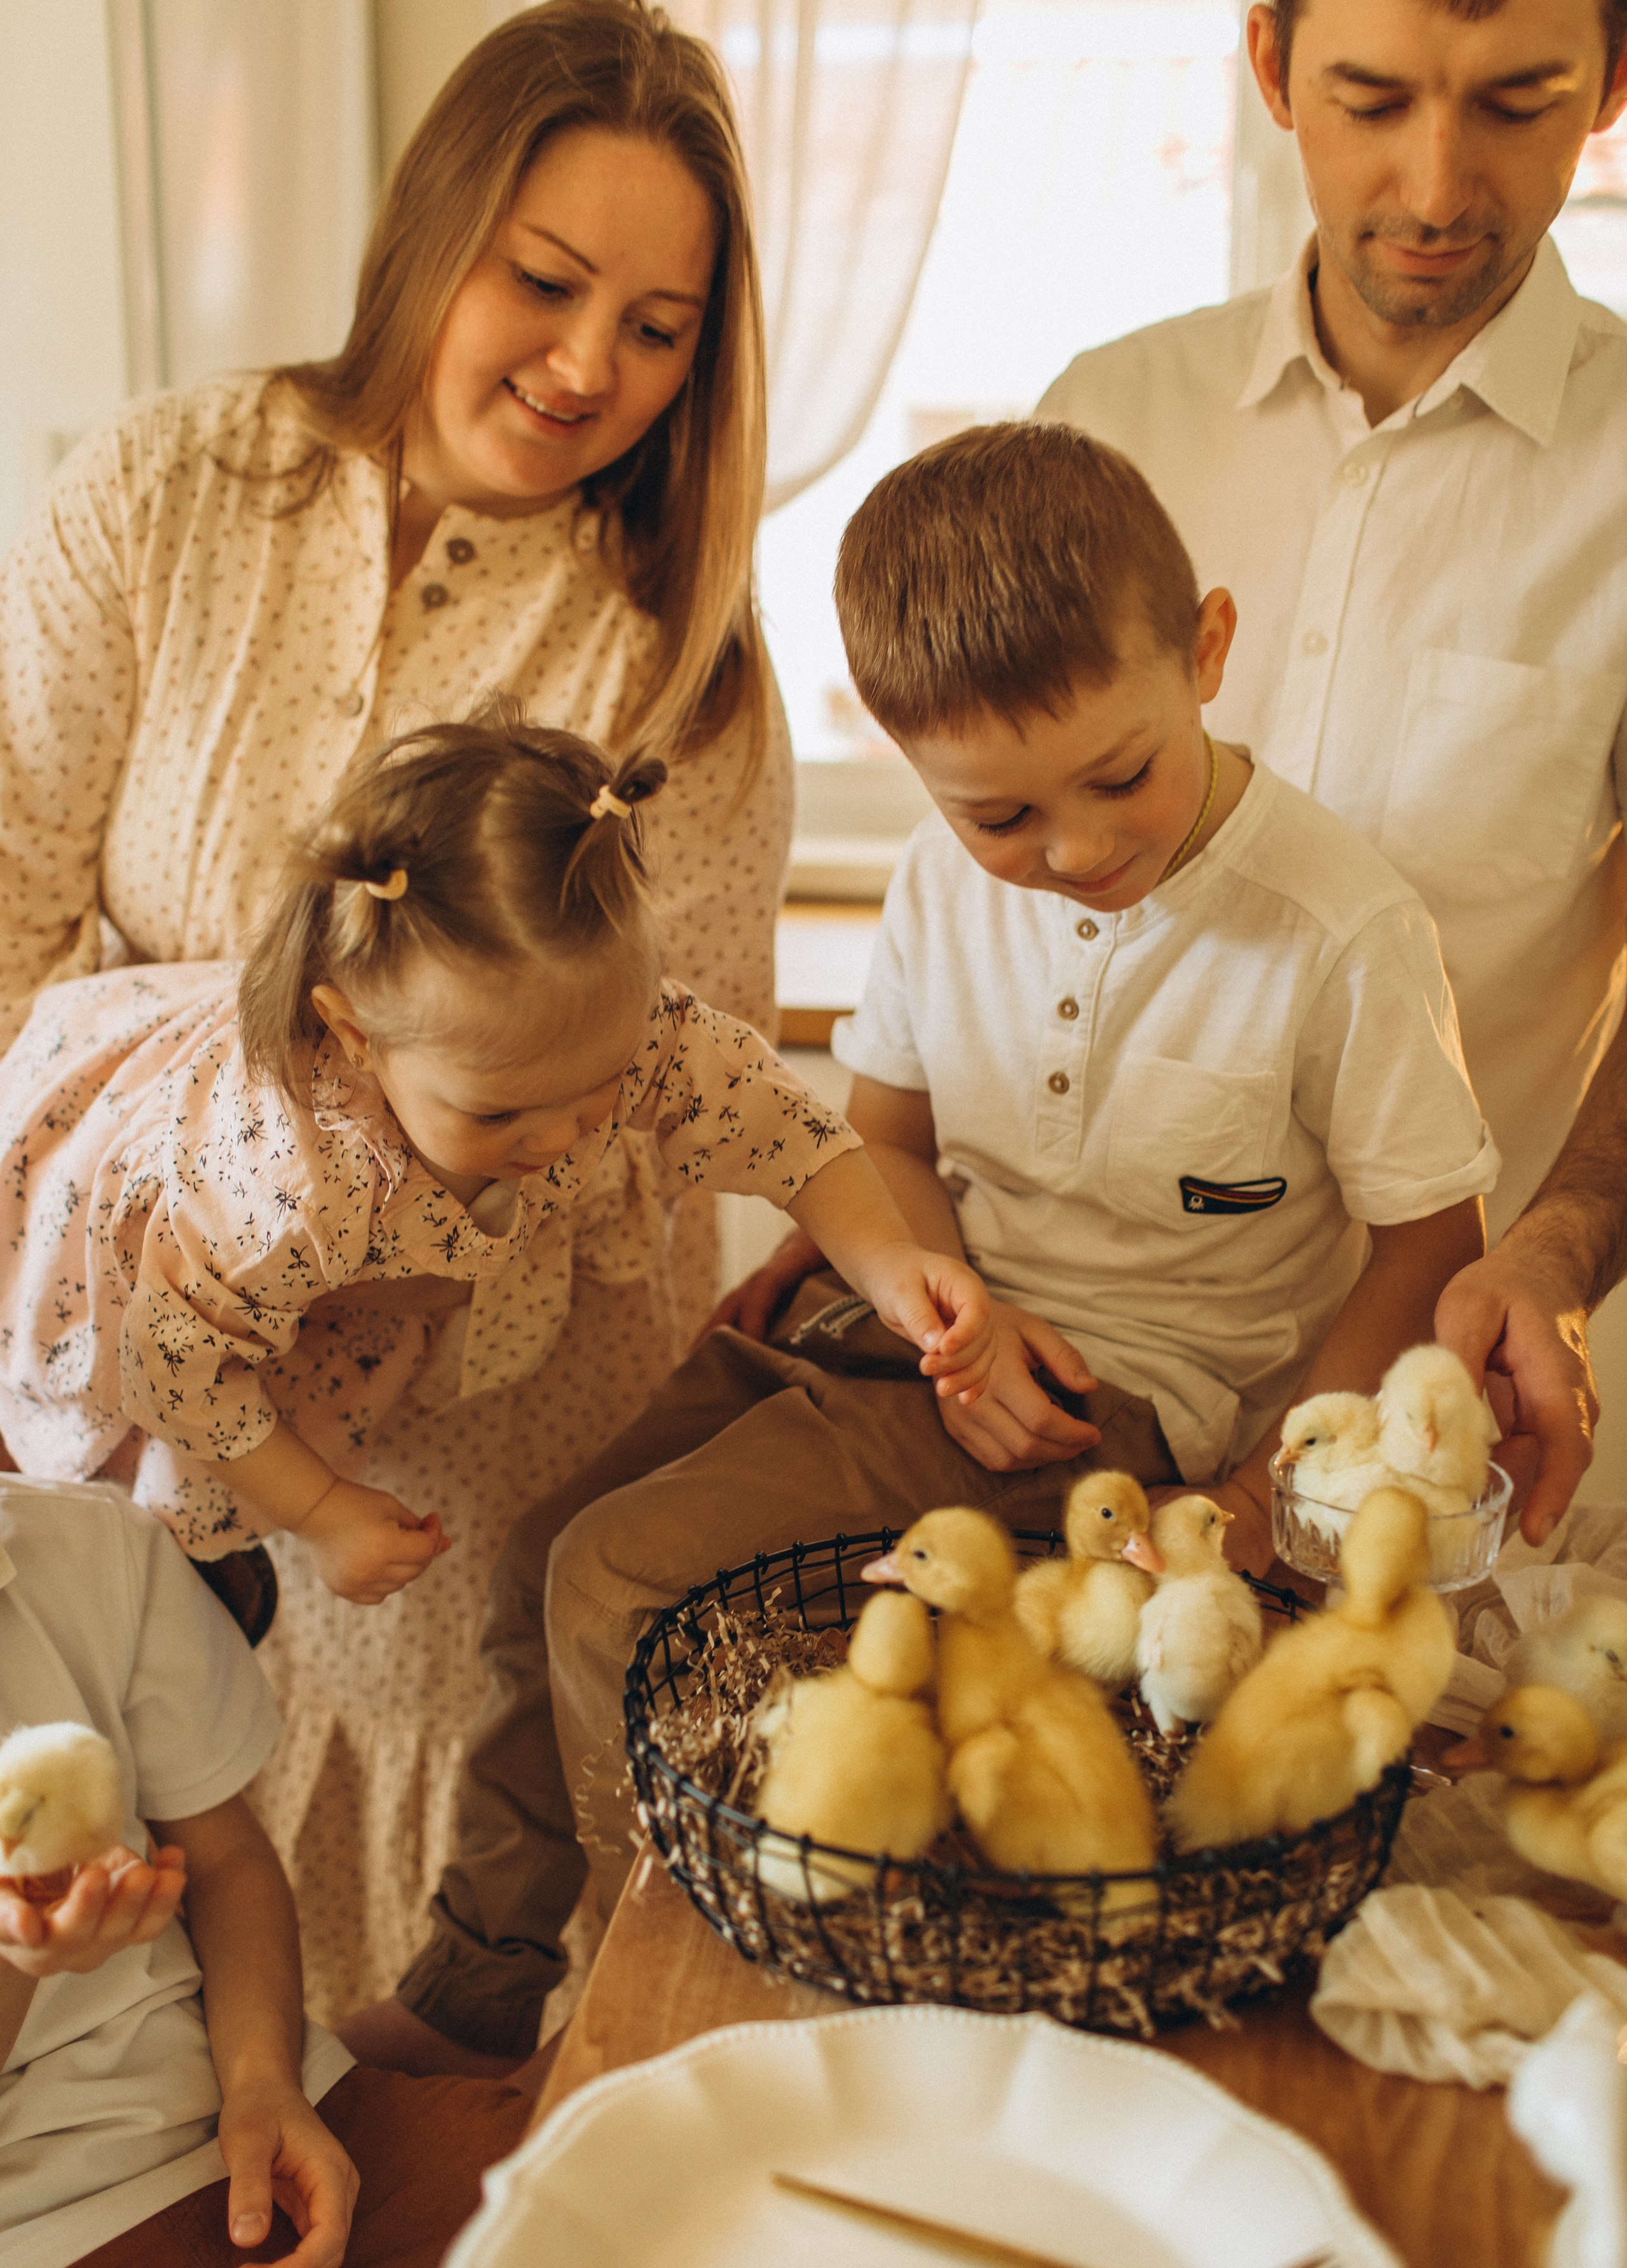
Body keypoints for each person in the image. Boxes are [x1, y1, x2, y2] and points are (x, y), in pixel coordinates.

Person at [365, 421, 1497, 2069]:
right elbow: (884, 1143)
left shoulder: (1337, 928)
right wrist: (924, 1298)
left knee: (615, 1579)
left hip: (1110, 1412)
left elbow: (1423, 1247)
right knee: (540, 1548)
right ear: (908, 766)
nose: (1077, 848)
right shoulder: (933, 884)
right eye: (999, 815)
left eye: (1122, 776)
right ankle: (479, 1981)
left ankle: (636, 1993)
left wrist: (1263, 1492)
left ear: (1208, 651)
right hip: (911, 1323)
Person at [0, 0, 793, 2020]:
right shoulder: (166, 493)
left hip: (491, 1442)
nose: (587, 365)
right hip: (123, 1390)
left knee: (437, 1983)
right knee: (140, 1923)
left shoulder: (669, 656)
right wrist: (114, 1178)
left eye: (661, 323)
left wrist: (364, 1292)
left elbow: (658, 1096)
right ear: (432, 231)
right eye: (544, 282)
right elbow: (6, 886)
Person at [1035, 0, 1627, 1545]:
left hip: (1440, 1427)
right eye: (1370, 101)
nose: (1433, 190)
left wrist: (1562, 1242)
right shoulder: (1105, 420)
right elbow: (996, 884)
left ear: (1613, 89)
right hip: (1072, 1398)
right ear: (1270, 69)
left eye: (1514, 105)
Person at [0, 712, 991, 1609]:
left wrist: (887, 1265)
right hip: (141, 1244)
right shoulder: (281, 1186)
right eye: (502, 1111)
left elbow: (778, 1125)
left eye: (594, 1090)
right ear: (353, 1036)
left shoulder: (606, 1024)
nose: (560, 1139)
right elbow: (177, 1363)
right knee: (141, 1527)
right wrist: (323, 1511)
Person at [0, 1473, 530, 2268]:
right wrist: (21, 1965)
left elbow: (229, 1860)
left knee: (658, 2233)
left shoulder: (90, 1549)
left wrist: (263, 2086)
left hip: (274, 2137)